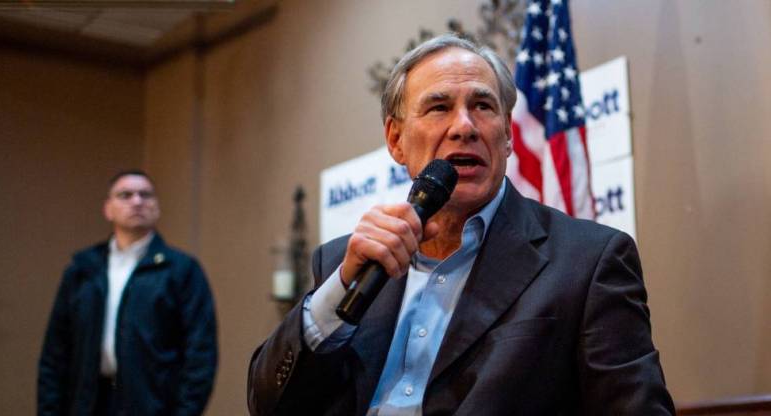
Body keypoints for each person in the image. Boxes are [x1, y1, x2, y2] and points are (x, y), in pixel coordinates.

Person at [248, 34, 674, 415]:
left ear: (508, 136)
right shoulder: (344, 262)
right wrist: (339, 289)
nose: (465, 126)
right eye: (439, 107)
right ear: (395, 140)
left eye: (483, 106)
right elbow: (267, 404)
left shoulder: (587, 262)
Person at [38, 170, 218, 416]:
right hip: (87, 403)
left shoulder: (182, 270)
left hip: (153, 405)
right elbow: (55, 352)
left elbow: (201, 353)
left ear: (157, 208)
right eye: (125, 195)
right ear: (108, 209)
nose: (137, 201)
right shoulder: (83, 270)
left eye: (145, 195)